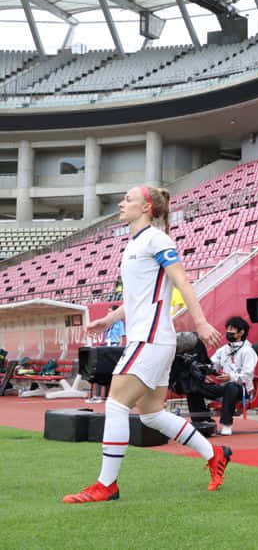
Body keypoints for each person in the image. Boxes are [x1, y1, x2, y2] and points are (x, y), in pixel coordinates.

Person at [63, 186, 230, 503]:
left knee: (115, 404)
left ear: (146, 207)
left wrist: (201, 322)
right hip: (150, 339)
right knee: (152, 413)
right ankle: (215, 454)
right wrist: (110, 319)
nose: (121, 203)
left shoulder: (157, 240)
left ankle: (106, 485)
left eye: (128, 199)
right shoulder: (134, 244)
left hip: (150, 339)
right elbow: (137, 298)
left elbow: (182, 281)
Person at [186, 316, 258, 436]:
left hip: (242, 389)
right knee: (193, 386)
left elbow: (247, 375)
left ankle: (226, 424)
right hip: (224, 387)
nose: (228, 332)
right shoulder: (223, 350)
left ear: (241, 332)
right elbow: (212, 365)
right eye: (228, 328)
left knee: (231, 386)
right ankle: (202, 423)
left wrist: (230, 377)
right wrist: (203, 372)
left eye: (232, 329)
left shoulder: (248, 351)